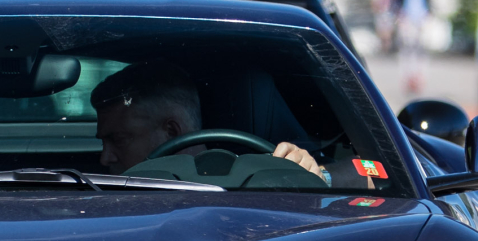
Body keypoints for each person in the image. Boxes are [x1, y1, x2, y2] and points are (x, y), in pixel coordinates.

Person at [91, 61, 326, 180]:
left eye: (118, 139)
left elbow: (364, 171)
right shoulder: (99, 195)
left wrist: (317, 174)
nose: (105, 158)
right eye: (104, 142)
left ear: (172, 131)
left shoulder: (254, 181)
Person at [393, 0, 433, 95]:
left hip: (420, 19)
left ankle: (418, 79)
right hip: (407, 19)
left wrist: (427, 16)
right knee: (407, 50)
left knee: (420, 51)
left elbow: (428, 2)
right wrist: (400, 17)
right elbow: (397, 2)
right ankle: (407, 79)